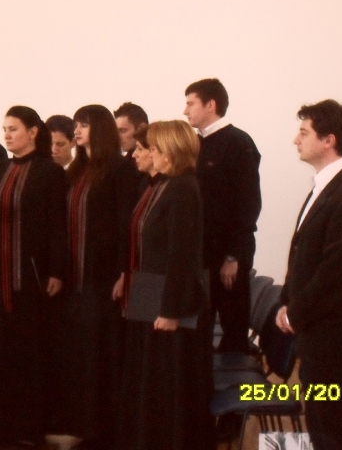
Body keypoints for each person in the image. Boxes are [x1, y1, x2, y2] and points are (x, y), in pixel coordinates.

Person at [275, 100, 342, 450]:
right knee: (322, 426)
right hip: (320, 331)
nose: (296, 140)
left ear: (328, 140)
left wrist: (295, 313)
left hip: (338, 337)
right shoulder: (327, 186)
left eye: (304, 133)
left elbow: (335, 274)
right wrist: (286, 302)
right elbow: (302, 255)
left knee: (340, 430)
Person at [116, 120, 214, 450]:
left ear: (170, 152)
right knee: (146, 375)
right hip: (149, 286)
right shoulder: (163, 185)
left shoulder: (183, 188)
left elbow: (182, 255)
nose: (147, 153)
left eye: (154, 148)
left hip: (168, 294)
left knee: (165, 380)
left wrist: (171, 310)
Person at [0, 106, 68, 447]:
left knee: (29, 356)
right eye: (4, 129)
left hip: (31, 277)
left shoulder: (50, 171)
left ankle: (28, 431)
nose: (7, 134)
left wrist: (57, 270)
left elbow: (58, 225)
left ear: (32, 132)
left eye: (13, 128)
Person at [50, 104, 139, 449]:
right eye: (76, 124)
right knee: (79, 354)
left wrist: (124, 271)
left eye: (84, 125)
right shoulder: (77, 170)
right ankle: (82, 425)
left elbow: (127, 224)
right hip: (77, 278)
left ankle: (104, 429)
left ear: (99, 129)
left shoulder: (118, 168)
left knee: (102, 354)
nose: (77, 130)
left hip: (104, 277)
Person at [183, 78, 261, 352]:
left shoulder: (238, 142)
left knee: (232, 329)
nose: (185, 110)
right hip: (203, 253)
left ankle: (236, 377)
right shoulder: (195, 143)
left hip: (227, 256)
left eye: (190, 103)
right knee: (200, 326)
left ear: (211, 105)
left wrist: (233, 256)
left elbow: (248, 204)